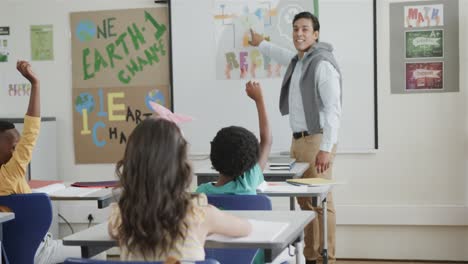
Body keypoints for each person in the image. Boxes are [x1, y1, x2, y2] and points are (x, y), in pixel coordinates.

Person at [249, 11, 342, 264]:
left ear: (316, 34)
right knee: (304, 201)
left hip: (317, 140)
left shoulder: (321, 63)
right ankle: (311, 255)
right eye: (295, 29)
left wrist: (326, 148)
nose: (299, 33)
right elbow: (280, 54)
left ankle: (327, 258)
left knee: (322, 201)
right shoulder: (299, 61)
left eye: (304, 29)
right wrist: (260, 43)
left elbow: (334, 110)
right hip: (298, 140)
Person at [108, 118, 252, 261]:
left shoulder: (121, 217)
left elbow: (114, 233)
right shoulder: (198, 213)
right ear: (181, 167)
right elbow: (246, 228)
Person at [0, 61, 81, 263]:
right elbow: (31, 131)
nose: (18, 151)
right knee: (95, 251)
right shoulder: (10, 173)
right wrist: (35, 84)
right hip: (37, 251)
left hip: (8, 254)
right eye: (13, 147)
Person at [196, 80, 272, 195]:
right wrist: (259, 100)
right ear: (250, 164)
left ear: (213, 157)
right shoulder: (249, 182)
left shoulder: (202, 193)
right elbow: (266, 140)